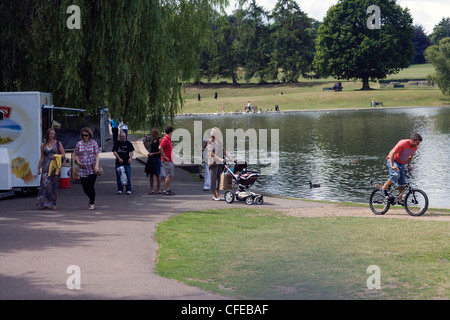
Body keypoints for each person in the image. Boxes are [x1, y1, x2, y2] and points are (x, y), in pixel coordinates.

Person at [380, 134, 423, 204]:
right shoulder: (403, 143)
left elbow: (410, 156)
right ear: (413, 140)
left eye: (419, 143)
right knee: (396, 175)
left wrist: (409, 165)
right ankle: (383, 188)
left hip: (401, 163)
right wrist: (392, 165)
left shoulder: (415, 147)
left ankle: (399, 200)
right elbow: (392, 153)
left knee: (402, 183)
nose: (418, 145)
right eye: (417, 143)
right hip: (393, 160)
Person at [36, 128, 65, 210]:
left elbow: (63, 154)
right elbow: (42, 158)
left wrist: (56, 156)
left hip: (55, 168)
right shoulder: (43, 145)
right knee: (44, 185)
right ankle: (44, 203)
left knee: (54, 186)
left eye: (53, 133)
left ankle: (53, 203)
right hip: (45, 167)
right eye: (50, 133)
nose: (52, 135)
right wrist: (38, 168)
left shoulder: (58, 143)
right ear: (47, 134)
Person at [74, 127, 100, 210]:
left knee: (91, 186)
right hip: (82, 168)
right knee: (85, 188)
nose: (84, 137)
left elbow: (97, 154)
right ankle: (90, 198)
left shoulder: (93, 143)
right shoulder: (79, 144)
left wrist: (96, 165)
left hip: (92, 168)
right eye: (83, 135)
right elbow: (76, 154)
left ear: (89, 135)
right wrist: (78, 161)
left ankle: (92, 203)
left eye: (86, 135)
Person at [207, 127, 235, 201]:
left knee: (219, 179)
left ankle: (218, 194)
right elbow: (211, 154)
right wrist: (220, 159)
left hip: (219, 163)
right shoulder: (210, 142)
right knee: (213, 179)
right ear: (214, 134)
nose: (219, 134)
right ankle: (214, 195)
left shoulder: (219, 141)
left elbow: (224, 151)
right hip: (213, 163)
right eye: (217, 133)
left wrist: (232, 159)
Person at [159, 125, 175, 195]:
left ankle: (167, 189)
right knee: (169, 175)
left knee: (170, 175)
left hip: (170, 160)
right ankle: (165, 190)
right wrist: (164, 156)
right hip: (166, 160)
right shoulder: (165, 139)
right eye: (173, 131)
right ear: (171, 132)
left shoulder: (168, 139)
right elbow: (160, 147)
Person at [145, 128, 162, 195]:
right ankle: (151, 189)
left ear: (155, 133)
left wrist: (153, 154)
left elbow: (160, 151)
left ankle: (159, 189)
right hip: (151, 158)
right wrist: (146, 139)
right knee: (151, 174)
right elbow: (149, 146)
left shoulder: (159, 140)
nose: (151, 134)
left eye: (152, 133)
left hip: (157, 158)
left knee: (157, 174)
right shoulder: (153, 139)